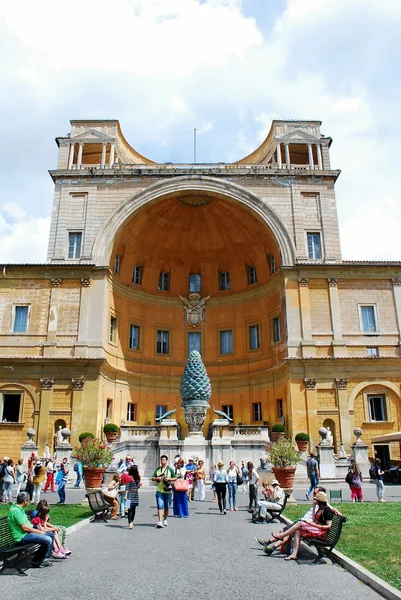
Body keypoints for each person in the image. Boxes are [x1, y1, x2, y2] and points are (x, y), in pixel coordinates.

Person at [255, 486, 340, 551]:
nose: (314, 495)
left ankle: (268, 544)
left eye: (315, 493)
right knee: (284, 531)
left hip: (306, 525)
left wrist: (336, 510)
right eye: (314, 493)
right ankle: (270, 545)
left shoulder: (324, 504)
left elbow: (330, 509)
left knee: (287, 532)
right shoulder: (316, 503)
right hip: (302, 522)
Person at [266, 491, 333, 560]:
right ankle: (294, 554)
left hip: (321, 532)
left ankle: (282, 536)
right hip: (316, 529)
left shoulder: (327, 510)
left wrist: (315, 525)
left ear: (319, 501)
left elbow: (329, 526)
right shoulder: (320, 508)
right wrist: (313, 508)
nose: (315, 501)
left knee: (299, 524)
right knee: (298, 530)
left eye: (316, 500)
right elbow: (313, 519)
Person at [8, 491, 54, 568]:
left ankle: (42, 559)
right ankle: (39, 561)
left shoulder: (19, 509)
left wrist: (39, 529)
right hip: (22, 537)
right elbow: (25, 528)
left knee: (51, 534)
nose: (29, 502)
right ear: (25, 500)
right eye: (28, 500)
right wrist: (39, 531)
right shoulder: (16, 511)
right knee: (47, 539)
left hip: (26, 533)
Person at [151, 455, 176, 529]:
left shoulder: (170, 470)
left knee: (167, 507)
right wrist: (157, 478)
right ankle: (160, 521)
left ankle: (165, 519)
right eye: (161, 460)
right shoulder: (158, 469)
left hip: (168, 490)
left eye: (163, 460)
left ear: (166, 461)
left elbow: (175, 478)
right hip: (159, 490)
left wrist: (168, 479)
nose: (162, 461)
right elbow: (152, 478)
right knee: (160, 506)